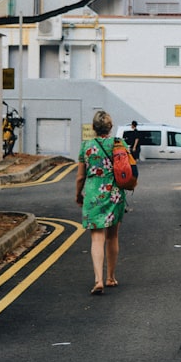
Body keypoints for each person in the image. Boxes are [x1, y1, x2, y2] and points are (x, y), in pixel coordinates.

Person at [75, 110, 127, 295]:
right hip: (114, 194)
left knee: (97, 238)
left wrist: (78, 195)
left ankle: (98, 280)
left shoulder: (86, 146)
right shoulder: (119, 144)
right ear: (110, 127)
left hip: (93, 194)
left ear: (93, 128)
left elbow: (80, 177)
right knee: (112, 236)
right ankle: (110, 277)